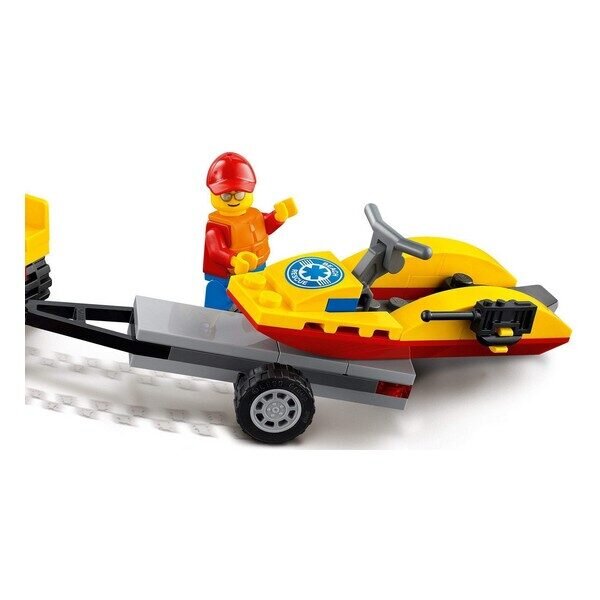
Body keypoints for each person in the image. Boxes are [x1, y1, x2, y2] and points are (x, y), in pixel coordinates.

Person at [203, 152, 297, 310]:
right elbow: (216, 251)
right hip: (229, 274)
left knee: (253, 302)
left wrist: (278, 217)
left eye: (239, 194)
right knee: (221, 299)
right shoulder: (216, 225)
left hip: (258, 270)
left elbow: (265, 227)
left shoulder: (254, 215)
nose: (233, 200)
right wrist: (234, 260)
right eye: (226, 196)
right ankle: (211, 319)